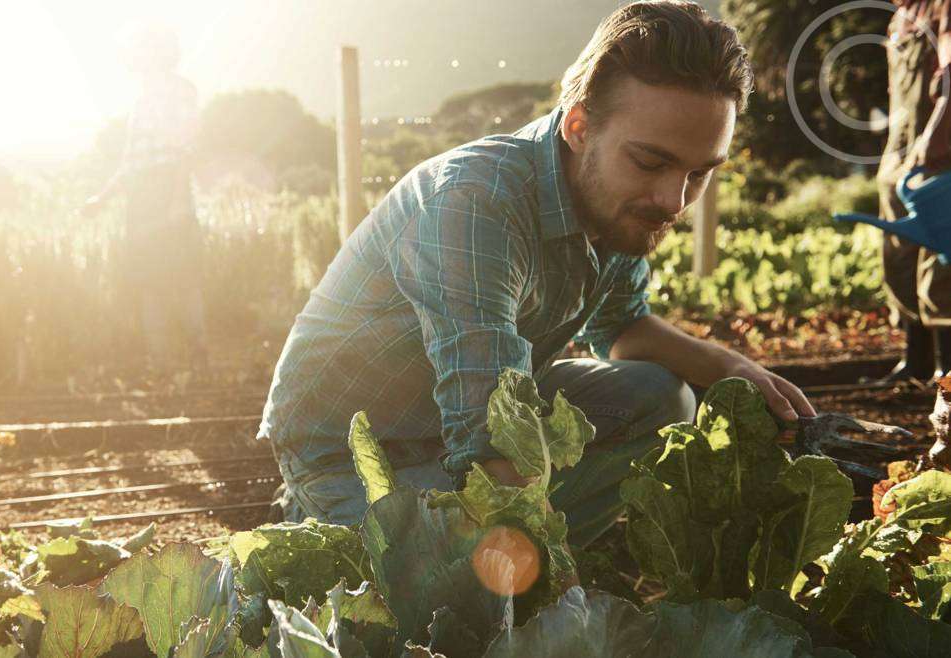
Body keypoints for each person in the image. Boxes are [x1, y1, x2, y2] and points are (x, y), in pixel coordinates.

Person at [259, 0, 816, 548]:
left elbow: (622, 329)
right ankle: (318, 516)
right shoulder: (475, 202)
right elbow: (487, 434)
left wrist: (733, 367)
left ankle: (521, 562)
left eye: (700, 173)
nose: (673, 200)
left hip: (467, 423)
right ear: (578, 127)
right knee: (426, 608)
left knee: (662, 397)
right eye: (651, 163)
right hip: (358, 452)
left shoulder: (618, 204)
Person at [83, 24, 209, 377]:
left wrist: (178, 200)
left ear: (157, 52)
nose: (134, 55)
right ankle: (162, 364)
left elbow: (185, 149)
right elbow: (130, 163)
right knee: (148, 282)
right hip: (141, 199)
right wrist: (101, 198)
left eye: (140, 48)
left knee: (184, 279)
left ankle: (198, 360)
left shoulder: (180, 92)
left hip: (168, 191)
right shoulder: (142, 99)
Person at [877, 0, 951, 383]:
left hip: (937, 152)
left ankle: (945, 368)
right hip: (898, 153)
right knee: (898, 255)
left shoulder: (942, 9)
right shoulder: (899, 19)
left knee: (938, 264)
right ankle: (915, 359)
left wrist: (936, 136)